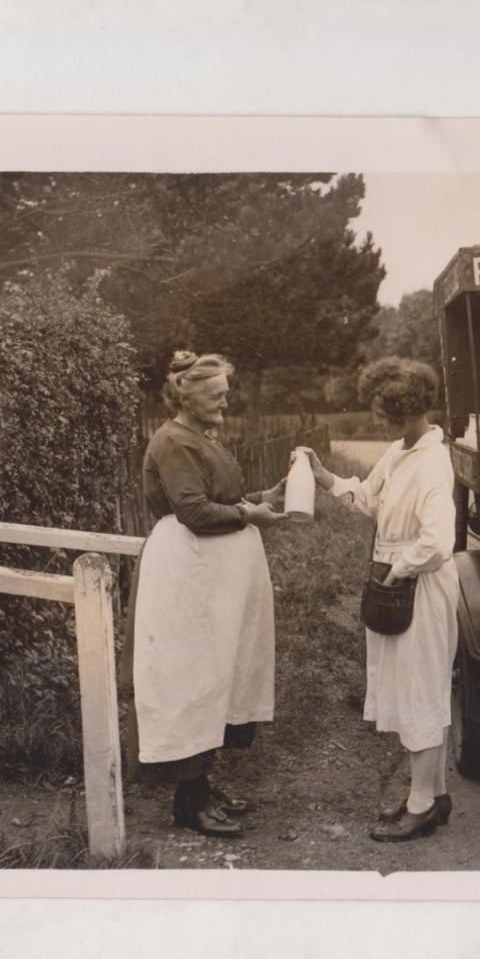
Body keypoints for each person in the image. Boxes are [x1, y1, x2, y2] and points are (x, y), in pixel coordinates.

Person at [298, 358, 461, 843]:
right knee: (410, 688)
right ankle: (435, 793)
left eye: (386, 414)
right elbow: (369, 499)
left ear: (410, 411)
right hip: (393, 581)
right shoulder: (399, 450)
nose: (377, 421)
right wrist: (327, 477)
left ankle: (421, 804)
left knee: (421, 690)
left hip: (420, 586)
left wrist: (398, 570)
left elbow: (437, 542)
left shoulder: (433, 461)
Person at [132, 351, 286, 838]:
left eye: (225, 392)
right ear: (188, 396)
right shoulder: (173, 441)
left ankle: (202, 785)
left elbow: (218, 497)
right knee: (192, 678)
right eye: (216, 394)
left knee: (218, 674)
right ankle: (188, 800)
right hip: (188, 572)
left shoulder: (200, 437)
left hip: (214, 575)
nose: (225, 401)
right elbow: (195, 513)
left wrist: (265, 498)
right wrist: (249, 516)